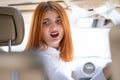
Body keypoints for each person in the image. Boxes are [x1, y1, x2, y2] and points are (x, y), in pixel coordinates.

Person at [25, 1, 111, 80]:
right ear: (37, 28)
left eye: (58, 21)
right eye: (46, 22)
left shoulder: (57, 55)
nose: (54, 27)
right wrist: (107, 71)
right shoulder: (42, 59)